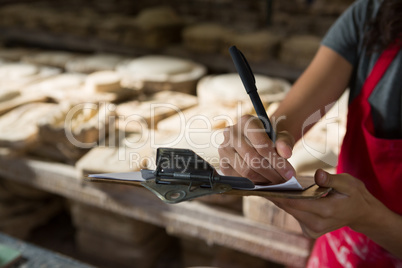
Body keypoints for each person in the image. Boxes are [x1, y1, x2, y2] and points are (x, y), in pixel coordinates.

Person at [218, 0, 402, 266]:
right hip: (343, 250)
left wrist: (368, 217)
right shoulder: (374, 15)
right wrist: (262, 140)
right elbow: (287, 122)